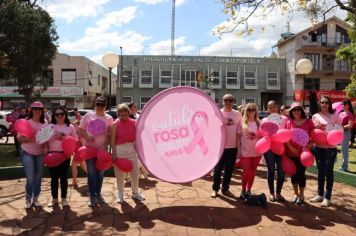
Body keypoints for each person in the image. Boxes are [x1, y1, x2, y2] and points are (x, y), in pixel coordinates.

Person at [79, 96, 113, 207]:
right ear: (95, 105)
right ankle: (92, 195)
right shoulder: (88, 116)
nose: (100, 107)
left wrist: (105, 145)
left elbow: (109, 135)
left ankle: (98, 194)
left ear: (105, 106)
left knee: (100, 173)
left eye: (102, 105)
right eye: (98, 104)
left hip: (101, 151)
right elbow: (81, 129)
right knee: (92, 173)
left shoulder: (109, 118)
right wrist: (87, 138)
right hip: (89, 150)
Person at [310, 96, 342, 207]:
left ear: (329, 104)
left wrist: (332, 127)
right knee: (320, 171)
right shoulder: (315, 115)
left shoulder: (335, 115)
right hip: (318, 147)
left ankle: (327, 197)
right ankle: (319, 194)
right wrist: (317, 126)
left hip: (331, 148)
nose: (324, 104)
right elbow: (311, 130)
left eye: (326, 102)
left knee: (328, 172)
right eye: (322, 102)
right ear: (320, 104)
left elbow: (340, 129)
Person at [111, 103, 145, 203]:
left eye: (125, 114)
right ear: (118, 114)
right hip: (119, 150)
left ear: (128, 112)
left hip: (131, 149)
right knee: (120, 175)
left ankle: (135, 192)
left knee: (135, 173)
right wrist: (113, 153)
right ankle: (120, 195)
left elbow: (140, 136)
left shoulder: (134, 122)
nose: (123, 116)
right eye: (121, 114)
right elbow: (112, 140)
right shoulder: (115, 124)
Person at [45, 107, 78, 207]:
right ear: (54, 116)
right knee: (54, 178)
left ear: (65, 115)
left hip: (65, 155)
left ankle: (64, 199)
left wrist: (65, 138)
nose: (59, 116)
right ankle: (54, 198)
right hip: (52, 154)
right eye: (57, 114)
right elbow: (44, 140)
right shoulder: (50, 126)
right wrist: (46, 148)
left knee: (64, 178)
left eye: (61, 114)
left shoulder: (70, 127)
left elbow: (75, 141)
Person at [17, 101, 47, 208]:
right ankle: (28, 198)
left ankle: (36, 197)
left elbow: (46, 139)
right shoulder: (25, 122)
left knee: (38, 177)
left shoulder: (45, 123)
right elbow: (19, 138)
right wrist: (31, 140)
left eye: (39, 109)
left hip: (40, 154)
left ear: (42, 110)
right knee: (30, 177)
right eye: (35, 108)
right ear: (31, 109)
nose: (37, 111)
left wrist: (46, 148)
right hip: (27, 153)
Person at [211, 94, 242, 198]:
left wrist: (239, 149)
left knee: (229, 170)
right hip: (220, 148)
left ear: (233, 101)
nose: (228, 102)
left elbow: (239, 132)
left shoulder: (237, 114)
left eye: (230, 100)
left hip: (233, 148)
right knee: (217, 170)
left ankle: (225, 189)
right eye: (226, 100)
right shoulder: (218, 113)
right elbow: (212, 128)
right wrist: (222, 122)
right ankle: (215, 189)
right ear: (222, 101)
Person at [285, 102, 314, 205]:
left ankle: (302, 194)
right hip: (291, 153)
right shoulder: (289, 123)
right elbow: (286, 137)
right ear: (291, 112)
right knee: (294, 173)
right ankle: (295, 194)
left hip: (304, 154)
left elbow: (313, 136)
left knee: (301, 173)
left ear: (301, 111)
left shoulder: (308, 122)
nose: (296, 111)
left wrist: (309, 145)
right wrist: (291, 148)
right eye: (294, 110)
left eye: (298, 109)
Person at [262, 100, 288, 202]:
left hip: (281, 148)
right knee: (271, 170)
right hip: (268, 148)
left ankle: (278, 193)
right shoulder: (264, 120)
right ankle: (272, 193)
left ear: (277, 107)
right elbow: (262, 133)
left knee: (281, 173)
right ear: (267, 109)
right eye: (270, 107)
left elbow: (287, 132)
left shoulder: (284, 119)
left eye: (273, 106)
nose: (272, 108)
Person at [237, 103, 261, 199]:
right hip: (245, 152)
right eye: (249, 110)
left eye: (253, 110)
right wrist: (239, 151)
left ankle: (248, 190)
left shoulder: (259, 122)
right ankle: (243, 190)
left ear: (255, 111)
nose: (251, 111)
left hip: (257, 153)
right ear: (246, 111)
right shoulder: (242, 123)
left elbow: (263, 136)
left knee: (252, 172)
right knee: (246, 172)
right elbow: (238, 138)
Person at [339, 99, 354, 172]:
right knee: (340, 149)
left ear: (348, 105)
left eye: (344, 104)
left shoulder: (350, 114)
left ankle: (344, 166)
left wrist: (341, 127)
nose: (343, 106)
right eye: (342, 104)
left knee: (344, 150)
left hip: (346, 133)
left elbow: (350, 125)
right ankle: (343, 165)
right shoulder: (340, 113)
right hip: (339, 133)